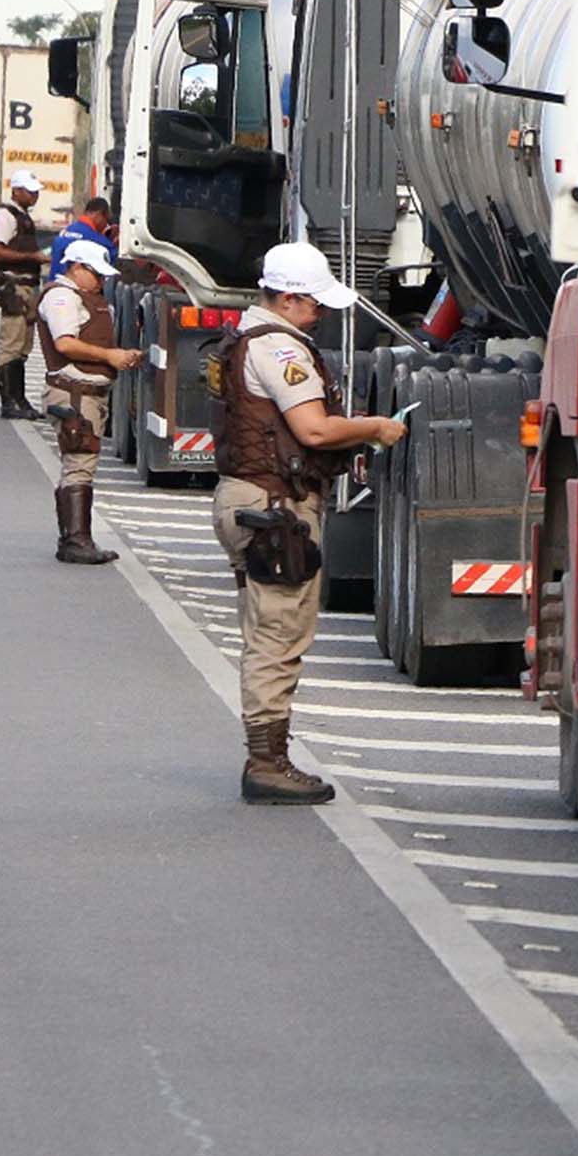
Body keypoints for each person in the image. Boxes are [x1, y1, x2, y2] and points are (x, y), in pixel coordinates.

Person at [211, 243, 405, 803]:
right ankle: (266, 763)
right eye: (314, 303)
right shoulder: (278, 347)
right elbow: (314, 429)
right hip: (277, 507)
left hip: (253, 500)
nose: (319, 313)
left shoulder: (246, 337)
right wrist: (375, 427)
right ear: (288, 299)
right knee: (278, 635)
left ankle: (268, 756)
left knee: (267, 631)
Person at [36, 238, 143, 564]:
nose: (101, 281)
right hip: (74, 393)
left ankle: (73, 537)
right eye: (96, 274)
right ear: (77, 267)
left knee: (80, 463)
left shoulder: (86, 298)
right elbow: (65, 344)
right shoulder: (62, 297)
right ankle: (76, 540)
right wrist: (110, 356)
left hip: (85, 394)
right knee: (79, 464)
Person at [0, 170, 49, 421]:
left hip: (28, 287)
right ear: (16, 191)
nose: (34, 196)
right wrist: (32, 257)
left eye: (35, 191)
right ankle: (9, 401)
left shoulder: (22, 216)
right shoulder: (5, 216)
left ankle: (20, 398)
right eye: (29, 191)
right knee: (11, 344)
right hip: (15, 287)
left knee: (23, 346)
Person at [48, 196, 115, 281]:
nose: (106, 225)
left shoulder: (65, 231)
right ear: (99, 214)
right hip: (76, 287)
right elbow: (113, 265)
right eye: (107, 220)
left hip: (54, 285)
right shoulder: (100, 242)